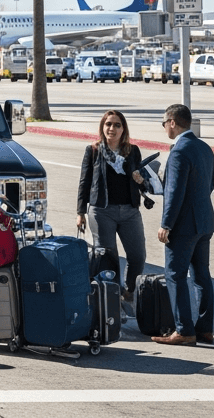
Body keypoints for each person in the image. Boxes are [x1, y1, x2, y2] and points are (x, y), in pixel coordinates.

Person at [153, 103, 214, 346]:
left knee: (175, 275)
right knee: (202, 276)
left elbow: (175, 192)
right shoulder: (204, 148)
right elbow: (209, 186)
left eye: (163, 123)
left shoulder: (179, 151)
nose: (164, 128)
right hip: (205, 223)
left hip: (183, 226)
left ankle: (184, 330)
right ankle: (205, 330)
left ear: (172, 122)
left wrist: (166, 224)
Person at [76, 109, 147, 299]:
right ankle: (112, 296)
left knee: (138, 256)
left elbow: (143, 182)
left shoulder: (133, 152)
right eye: (108, 124)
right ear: (102, 127)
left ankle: (129, 291)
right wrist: (80, 212)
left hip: (130, 211)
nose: (112, 129)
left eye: (117, 125)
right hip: (101, 212)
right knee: (108, 259)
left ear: (124, 129)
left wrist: (141, 180)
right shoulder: (93, 150)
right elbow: (85, 182)